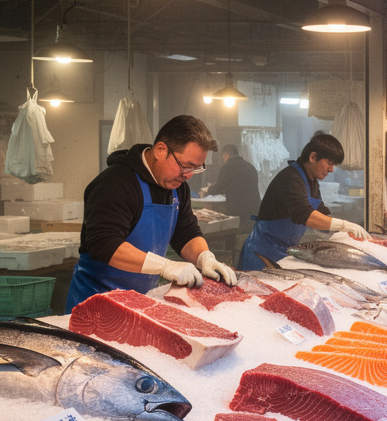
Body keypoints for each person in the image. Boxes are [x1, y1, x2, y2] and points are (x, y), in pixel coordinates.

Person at [67, 115, 237, 311]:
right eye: (186, 166)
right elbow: (104, 244)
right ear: (160, 150)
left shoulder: (177, 185)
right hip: (96, 302)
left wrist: (205, 258)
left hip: (141, 301)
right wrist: (165, 266)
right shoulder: (115, 184)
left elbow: (186, 232)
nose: (188, 175)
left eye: (196, 169)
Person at [236, 132, 370, 271]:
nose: (331, 169)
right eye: (329, 163)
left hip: (285, 251)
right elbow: (303, 214)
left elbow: (321, 215)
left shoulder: (312, 182)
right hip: (262, 253)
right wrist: (343, 225)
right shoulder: (290, 178)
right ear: (313, 157)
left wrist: (345, 235)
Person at [203, 144, 261, 219]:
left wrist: (208, 190)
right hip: (255, 209)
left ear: (226, 155)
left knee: (238, 229)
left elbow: (219, 187)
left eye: (223, 157)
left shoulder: (227, 167)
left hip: (238, 210)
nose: (223, 159)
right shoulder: (250, 166)